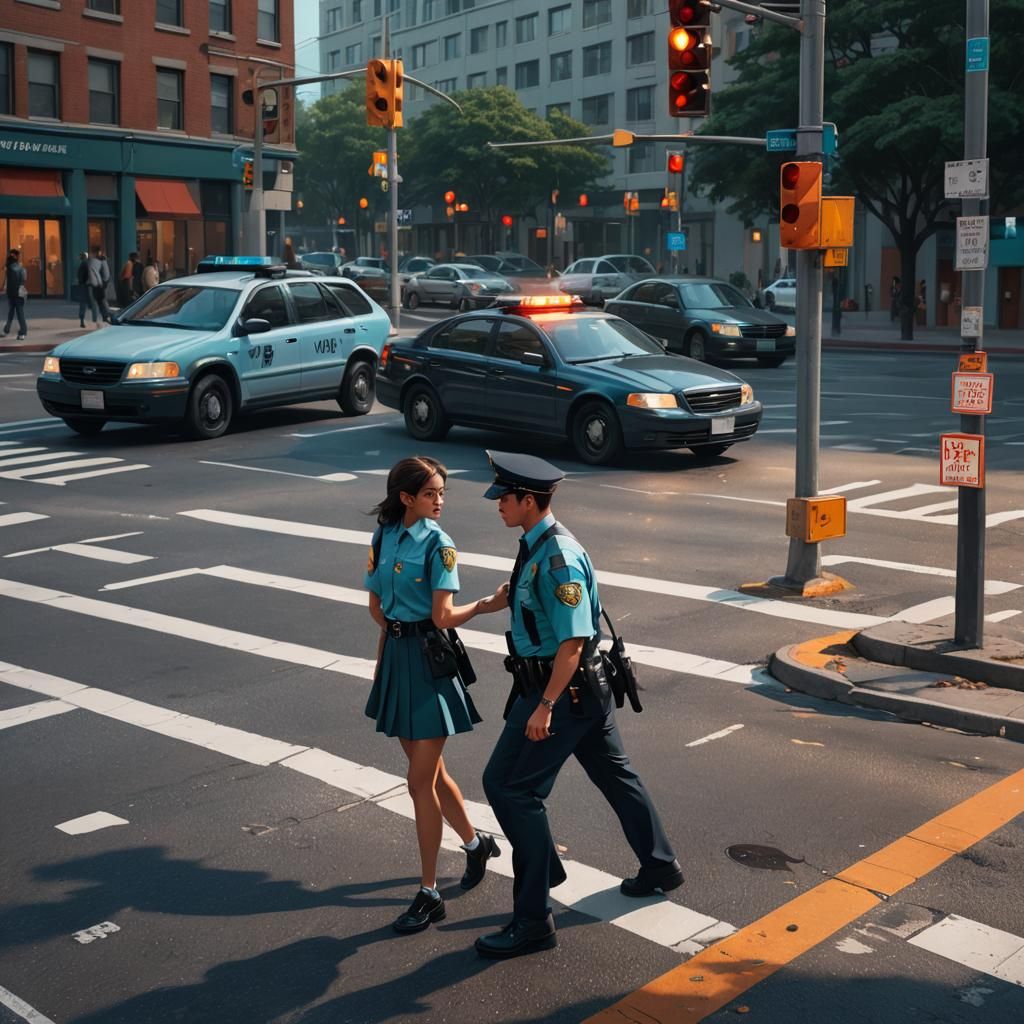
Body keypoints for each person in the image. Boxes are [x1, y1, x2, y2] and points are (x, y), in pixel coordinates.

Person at [476, 451, 681, 960]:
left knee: (510, 788)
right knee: (614, 774)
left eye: (504, 497)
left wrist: (544, 705)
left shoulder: (558, 557)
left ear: (528, 500)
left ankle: (533, 919)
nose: (498, 503)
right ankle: (659, 864)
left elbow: (572, 641)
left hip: (561, 690)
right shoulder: (538, 545)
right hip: (580, 690)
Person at [365, 456, 508, 935]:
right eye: (430, 493)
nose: (440, 500)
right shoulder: (383, 535)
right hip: (398, 659)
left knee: (418, 781)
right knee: (432, 773)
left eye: (442, 492)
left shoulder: (439, 545)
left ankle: (429, 894)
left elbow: (443, 617)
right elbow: (376, 606)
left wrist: (485, 606)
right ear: (406, 497)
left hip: (429, 664)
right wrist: (383, 662)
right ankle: (476, 845)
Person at [2, 249, 28, 341]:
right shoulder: (21, 268)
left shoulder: (9, 269)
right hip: (20, 293)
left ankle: (6, 330)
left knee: (11, 312)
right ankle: (22, 333)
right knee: (20, 313)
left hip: (11, 293)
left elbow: (6, 282)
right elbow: (24, 279)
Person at [87, 247, 112, 322]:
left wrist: (102, 283)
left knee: (99, 301)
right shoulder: (100, 260)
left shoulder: (99, 260)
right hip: (99, 284)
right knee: (100, 300)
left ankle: (104, 316)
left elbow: (105, 274)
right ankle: (105, 316)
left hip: (98, 284)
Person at [75, 251, 99, 327]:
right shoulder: (91, 264)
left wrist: (81, 282)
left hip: (84, 286)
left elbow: (80, 276)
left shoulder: (83, 264)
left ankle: (82, 320)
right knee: (94, 303)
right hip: (92, 285)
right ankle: (95, 319)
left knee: (83, 303)